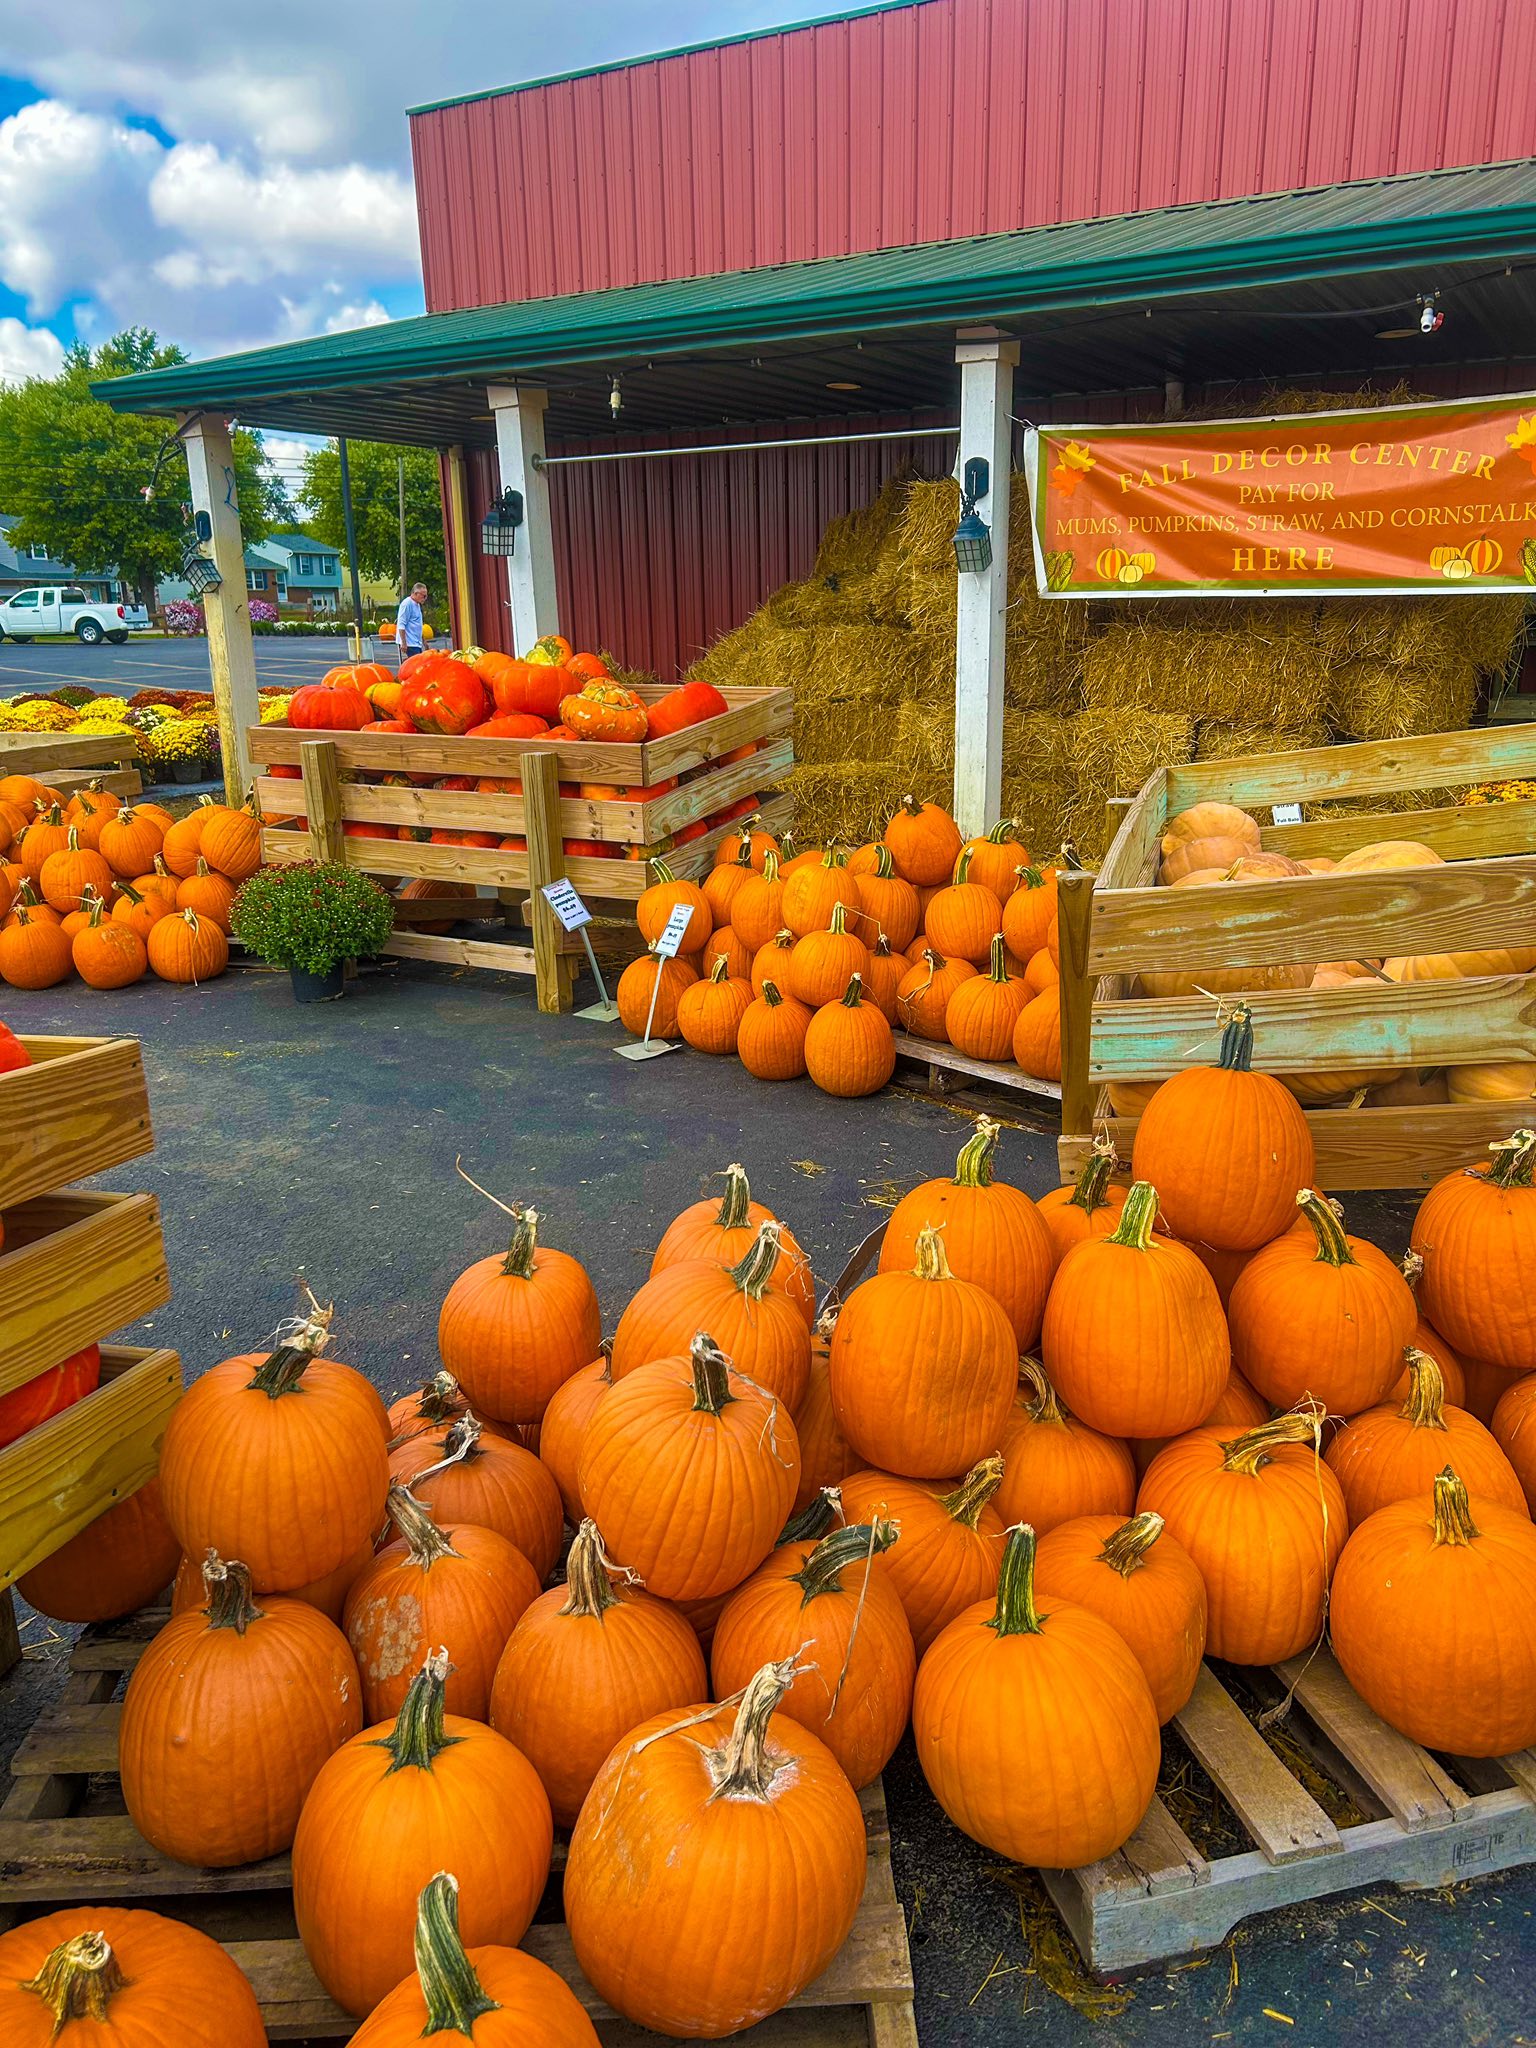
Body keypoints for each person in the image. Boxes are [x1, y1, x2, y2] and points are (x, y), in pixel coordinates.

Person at [396, 582, 428, 662]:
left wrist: (424, 641)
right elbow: (401, 624)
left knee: (420, 664)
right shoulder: (407, 604)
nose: (425, 598)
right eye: (423, 596)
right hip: (410, 643)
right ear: (416, 593)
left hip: (416, 642)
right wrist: (404, 643)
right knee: (415, 666)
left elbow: (418, 625)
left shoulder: (417, 605)